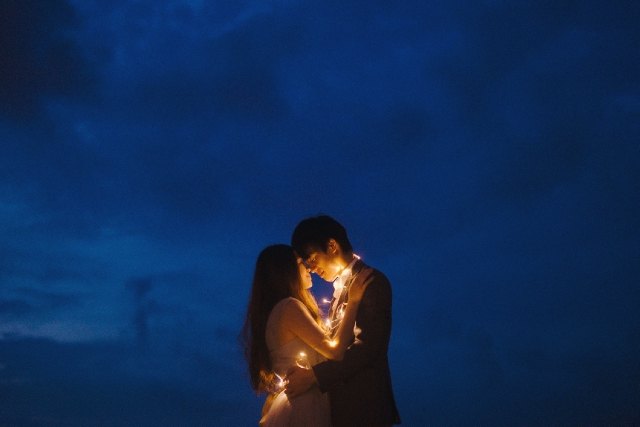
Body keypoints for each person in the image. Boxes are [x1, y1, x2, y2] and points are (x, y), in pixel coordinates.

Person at [286, 215, 401, 427]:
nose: (310, 267)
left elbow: (366, 348)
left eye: (311, 258)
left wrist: (314, 377)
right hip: (340, 408)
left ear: (332, 245)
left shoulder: (371, 282)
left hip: (363, 408)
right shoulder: (339, 290)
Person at [240, 244, 372, 427]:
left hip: (296, 402)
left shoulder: (274, 312)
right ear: (286, 271)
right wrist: (354, 300)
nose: (308, 267)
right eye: (301, 263)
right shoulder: (289, 307)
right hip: (305, 405)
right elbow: (335, 352)